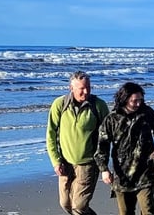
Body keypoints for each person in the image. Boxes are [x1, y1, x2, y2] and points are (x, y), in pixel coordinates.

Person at [95, 82, 154, 215]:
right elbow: (102, 146)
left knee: (149, 209)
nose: (138, 104)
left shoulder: (146, 112)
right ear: (125, 99)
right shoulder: (112, 119)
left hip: (145, 173)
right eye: (134, 101)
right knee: (126, 212)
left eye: (140, 100)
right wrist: (104, 169)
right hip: (122, 175)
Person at [46, 71, 110, 215]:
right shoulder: (60, 104)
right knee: (65, 204)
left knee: (79, 206)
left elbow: (107, 137)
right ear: (71, 88)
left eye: (88, 87)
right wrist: (55, 161)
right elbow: (50, 134)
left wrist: (104, 166)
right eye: (82, 88)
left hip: (88, 164)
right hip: (65, 163)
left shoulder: (98, 105)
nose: (86, 91)